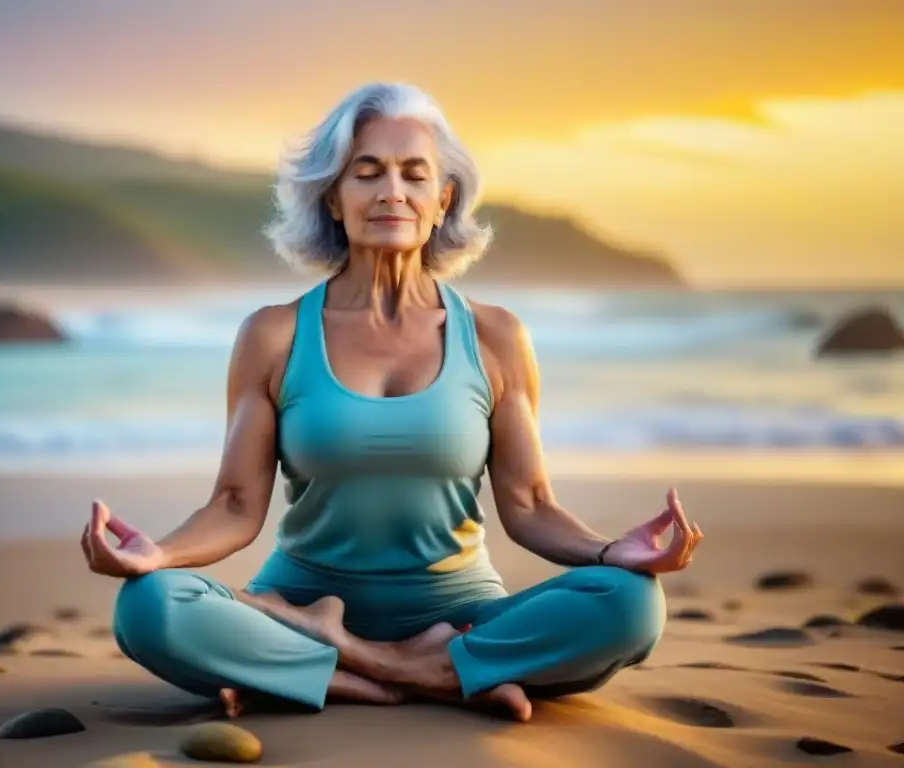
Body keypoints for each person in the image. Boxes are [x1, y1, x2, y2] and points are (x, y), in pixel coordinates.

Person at [81, 82, 703, 723]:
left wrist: (611, 554)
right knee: (148, 607)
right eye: (367, 172)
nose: (392, 192)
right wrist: (157, 556)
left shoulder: (495, 336)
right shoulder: (274, 334)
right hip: (298, 601)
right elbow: (236, 507)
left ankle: (334, 664)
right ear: (332, 196)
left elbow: (531, 507)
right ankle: (445, 673)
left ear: (443, 200)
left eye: (414, 174)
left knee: (632, 604)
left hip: (459, 613)